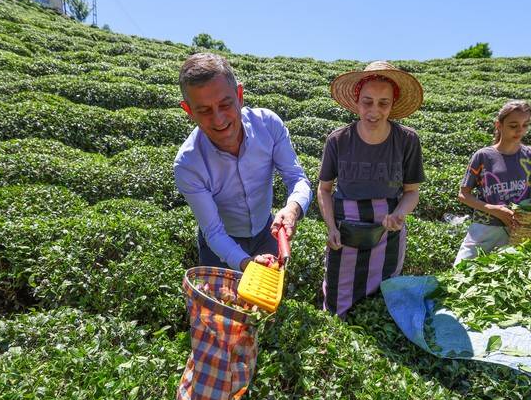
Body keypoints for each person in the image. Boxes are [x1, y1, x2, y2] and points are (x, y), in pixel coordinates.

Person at [173, 53, 312, 271]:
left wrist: (293, 209)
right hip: (219, 246)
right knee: (224, 303)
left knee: (267, 302)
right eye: (204, 110)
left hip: (267, 232)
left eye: (225, 104)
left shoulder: (268, 125)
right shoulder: (188, 164)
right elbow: (214, 232)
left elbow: (297, 178)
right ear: (189, 111)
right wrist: (247, 264)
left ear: (239, 95)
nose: (219, 119)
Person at [317, 61, 426, 317]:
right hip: (345, 232)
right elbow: (324, 189)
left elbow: (411, 191)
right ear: (356, 102)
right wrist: (331, 227)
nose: (374, 110)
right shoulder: (338, 140)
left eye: (383, 103)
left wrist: (399, 214)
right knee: (337, 298)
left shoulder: (407, 140)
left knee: (380, 302)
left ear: (392, 105)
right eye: (367, 101)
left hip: (387, 232)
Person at [453, 100, 531, 265]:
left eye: (525, 125)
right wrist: (494, 210)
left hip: (522, 230)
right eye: (513, 125)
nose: (520, 130)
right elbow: (463, 195)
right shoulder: (483, 156)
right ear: (499, 125)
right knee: (461, 272)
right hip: (485, 229)